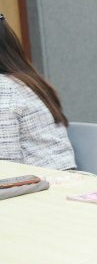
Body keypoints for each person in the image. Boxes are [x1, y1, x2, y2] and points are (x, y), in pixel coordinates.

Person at [0, 13, 75, 170]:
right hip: (59, 175)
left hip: (44, 181)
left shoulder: (5, 88)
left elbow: (6, 166)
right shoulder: (24, 78)